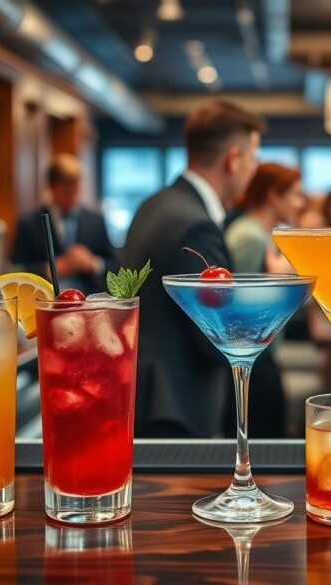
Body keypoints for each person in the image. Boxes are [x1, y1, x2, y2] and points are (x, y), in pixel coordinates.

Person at [120, 100, 264, 438]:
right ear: (233, 159)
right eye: (253, 156)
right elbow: (216, 336)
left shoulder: (155, 203)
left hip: (142, 393)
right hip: (175, 408)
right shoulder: (196, 225)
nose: (254, 168)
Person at [223, 162, 303, 437]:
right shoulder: (250, 236)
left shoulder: (260, 233)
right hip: (252, 357)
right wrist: (282, 285)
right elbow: (236, 306)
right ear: (273, 195)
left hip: (262, 353)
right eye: (294, 194)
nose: (299, 202)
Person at [11, 154, 117, 295]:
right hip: (45, 301)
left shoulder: (95, 220)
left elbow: (115, 265)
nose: (72, 198)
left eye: (76, 190)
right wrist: (48, 269)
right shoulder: (29, 223)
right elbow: (15, 269)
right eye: (66, 192)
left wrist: (93, 263)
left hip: (89, 301)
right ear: (51, 187)